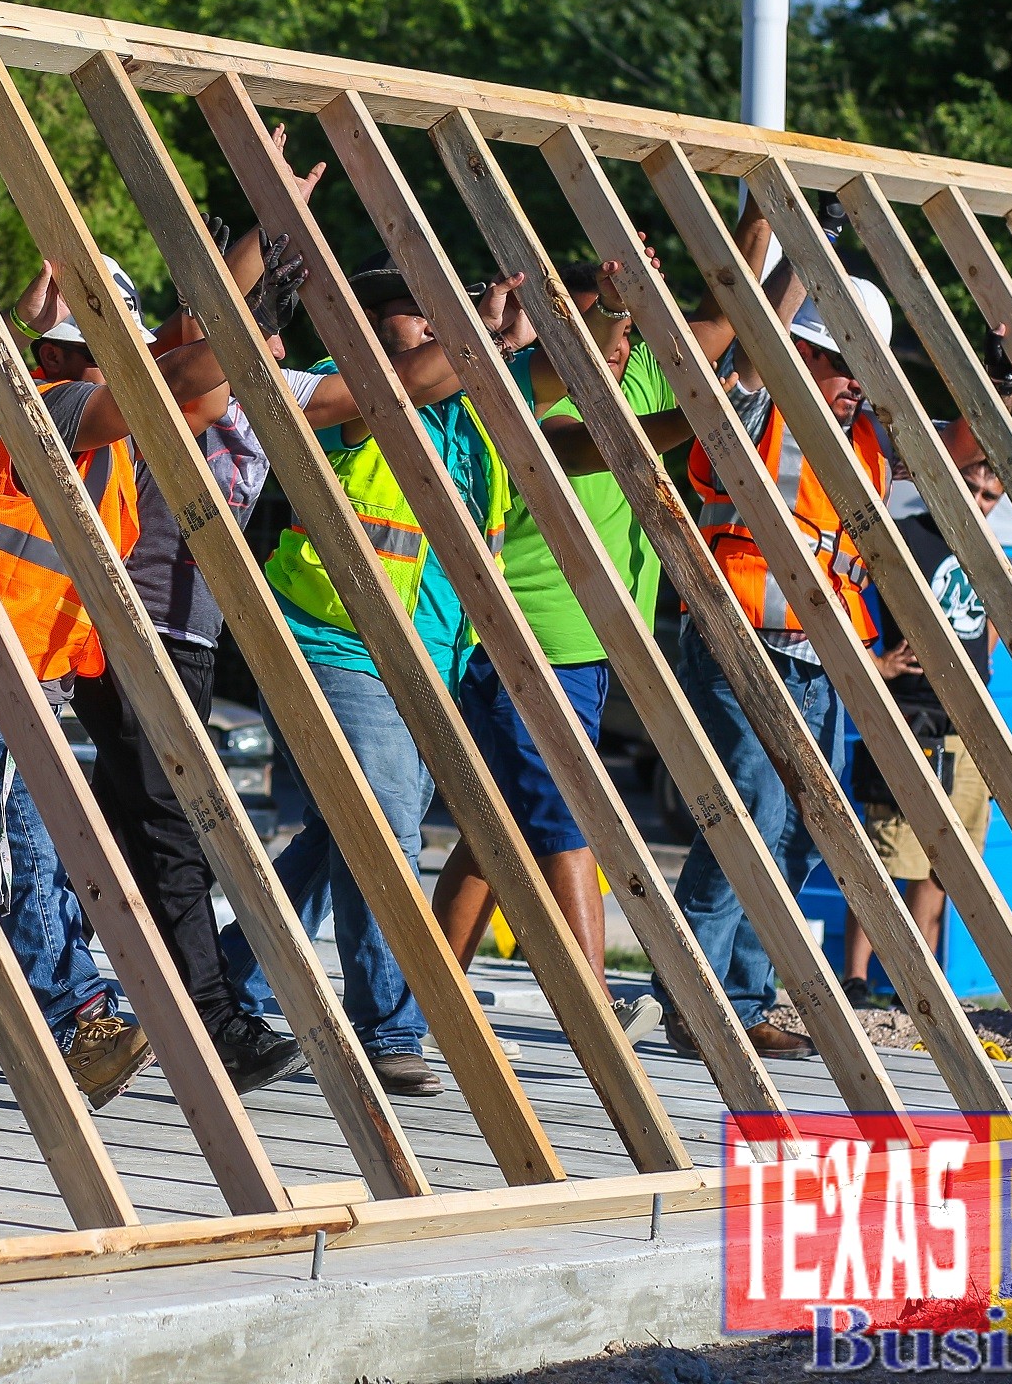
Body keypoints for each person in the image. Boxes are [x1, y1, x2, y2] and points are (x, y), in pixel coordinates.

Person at [0, 254, 239, 1109]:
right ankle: (74, 1020)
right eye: (106, 351)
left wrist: (224, 293)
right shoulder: (54, 406)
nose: (118, 366)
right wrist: (231, 313)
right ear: (64, 356)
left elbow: (195, 386)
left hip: (22, 672)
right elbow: (166, 384)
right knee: (22, 848)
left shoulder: (98, 417)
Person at [215, 249, 539, 1099]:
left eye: (447, 311)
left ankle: (224, 979)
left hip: (435, 655)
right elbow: (407, 385)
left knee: (342, 837)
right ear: (369, 321)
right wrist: (485, 338)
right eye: (416, 309)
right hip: (339, 636)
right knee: (388, 833)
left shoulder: (472, 415)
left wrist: (514, 340)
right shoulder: (347, 382)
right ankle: (389, 1027)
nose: (434, 323)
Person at [68, 225, 315, 1094]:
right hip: (133, 631)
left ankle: (47, 995)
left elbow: (371, 386)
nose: (263, 351)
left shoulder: (246, 385)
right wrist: (252, 246)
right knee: (171, 826)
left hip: (189, 637)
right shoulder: (122, 385)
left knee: (113, 824)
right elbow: (190, 360)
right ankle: (212, 1025)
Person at [434, 255, 702, 1046]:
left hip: (585, 651)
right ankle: (590, 1001)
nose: (614, 349)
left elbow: (715, 333)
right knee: (565, 815)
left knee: (505, 830)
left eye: (620, 335)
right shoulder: (526, 394)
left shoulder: (642, 370)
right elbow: (606, 445)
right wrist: (615, 314)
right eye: (598, 330)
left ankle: (422, 1002)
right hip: (519, 641)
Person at [663, 213, 902, 1062]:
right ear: (805, 352)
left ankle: (744, 997)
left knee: (804, 829)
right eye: (842, 364)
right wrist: (802, 256)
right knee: (754, 813)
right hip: (740, 640)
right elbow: (759, 345)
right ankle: (697, 996)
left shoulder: (864, 441)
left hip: (818, 661)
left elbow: (954, 450)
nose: (853, 385)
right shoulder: (764, 402)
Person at [839, 337, 1012, 1005]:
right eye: (970, 480)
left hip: (965, 720)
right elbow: (847, 597)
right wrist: (878, 664)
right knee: (892, 851)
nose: (977, 492)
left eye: (988, 487)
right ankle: (857, 976)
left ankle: (919, 981)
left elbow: (992, 633)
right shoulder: (908, 534)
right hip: (909, 711)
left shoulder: (992, 558)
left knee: (948, 863)